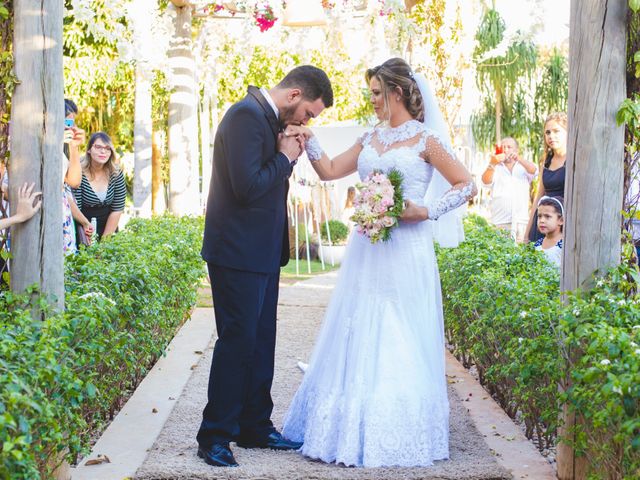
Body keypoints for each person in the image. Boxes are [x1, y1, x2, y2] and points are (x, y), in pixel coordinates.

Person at [281, 58, 477, 467]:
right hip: (367, 249)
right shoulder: (370, 137)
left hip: (408, 250)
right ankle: (350, 424)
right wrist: (308, 138)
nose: (370, 100)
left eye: (375, 93)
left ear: (397, 93)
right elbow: (331, 171)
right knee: (360, 321)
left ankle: (399, 428)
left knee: (399, 327)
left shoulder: (426, 140)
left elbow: (466, 183)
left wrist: (424, 211)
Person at [197, 65, 333, 468]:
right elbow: (246, 187)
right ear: (294, 95)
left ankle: (254, 425)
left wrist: (283, 148)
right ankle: (214, 435)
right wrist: (286, 157)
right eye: (309, 113)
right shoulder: (244, 116)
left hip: (261, 252)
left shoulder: (265, 120)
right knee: (237, 343)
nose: (307, 121)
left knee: (261, 342)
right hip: (236, 253)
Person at [481, 137, 537, 242]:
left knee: (521, 254)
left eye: (509, 147)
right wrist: (492, 163)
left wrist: (519, 159)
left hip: (521, 222)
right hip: (500, 222)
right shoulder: (495, 167)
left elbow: (534, 171)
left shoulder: (522, 166)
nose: (505, 150)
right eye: (503, 147)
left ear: (516, 151)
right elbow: (485, 181)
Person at [72, 132, 126, 242]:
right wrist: (85, 225)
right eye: (98, 147)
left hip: (109, 230)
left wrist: (104, 243)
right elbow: (74, 205)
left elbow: (117, 208)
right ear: (89, 150)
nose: (103, 151)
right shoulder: (78, 172)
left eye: (107, 148)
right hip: (83, 227)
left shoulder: (116, 173)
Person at [525, 112, 568, 243]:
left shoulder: (574, 160)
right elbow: (538, 197)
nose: (551, 136)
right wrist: (527, 233)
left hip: (561, 225)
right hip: (542, 224)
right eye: (548, 132)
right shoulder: (546, 161)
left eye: (556, 131)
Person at [62, 98, 85, 254]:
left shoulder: (64, 147)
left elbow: (74, 181)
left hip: (63, 213)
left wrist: (74, 146)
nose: (69, 127)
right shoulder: (36, 142)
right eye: (67, 122)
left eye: (71, 124)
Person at [534, 196, 564, 268]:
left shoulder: (564, 246)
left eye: (547, 216)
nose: (542, 220)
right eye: (539, 216)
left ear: (561, 220)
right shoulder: (538, 245)